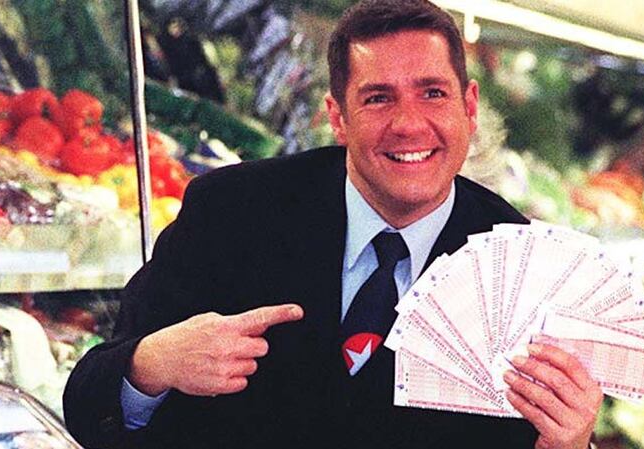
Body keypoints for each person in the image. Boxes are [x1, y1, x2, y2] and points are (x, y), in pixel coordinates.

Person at [63, 1, 603, 448]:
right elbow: (88, 407)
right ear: (338, 117)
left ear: (469, 107)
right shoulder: (232, 211)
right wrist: (151, 364)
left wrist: (569, 444)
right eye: (378, 98)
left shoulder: (523, 269)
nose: (409, 124)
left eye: (432, 93)